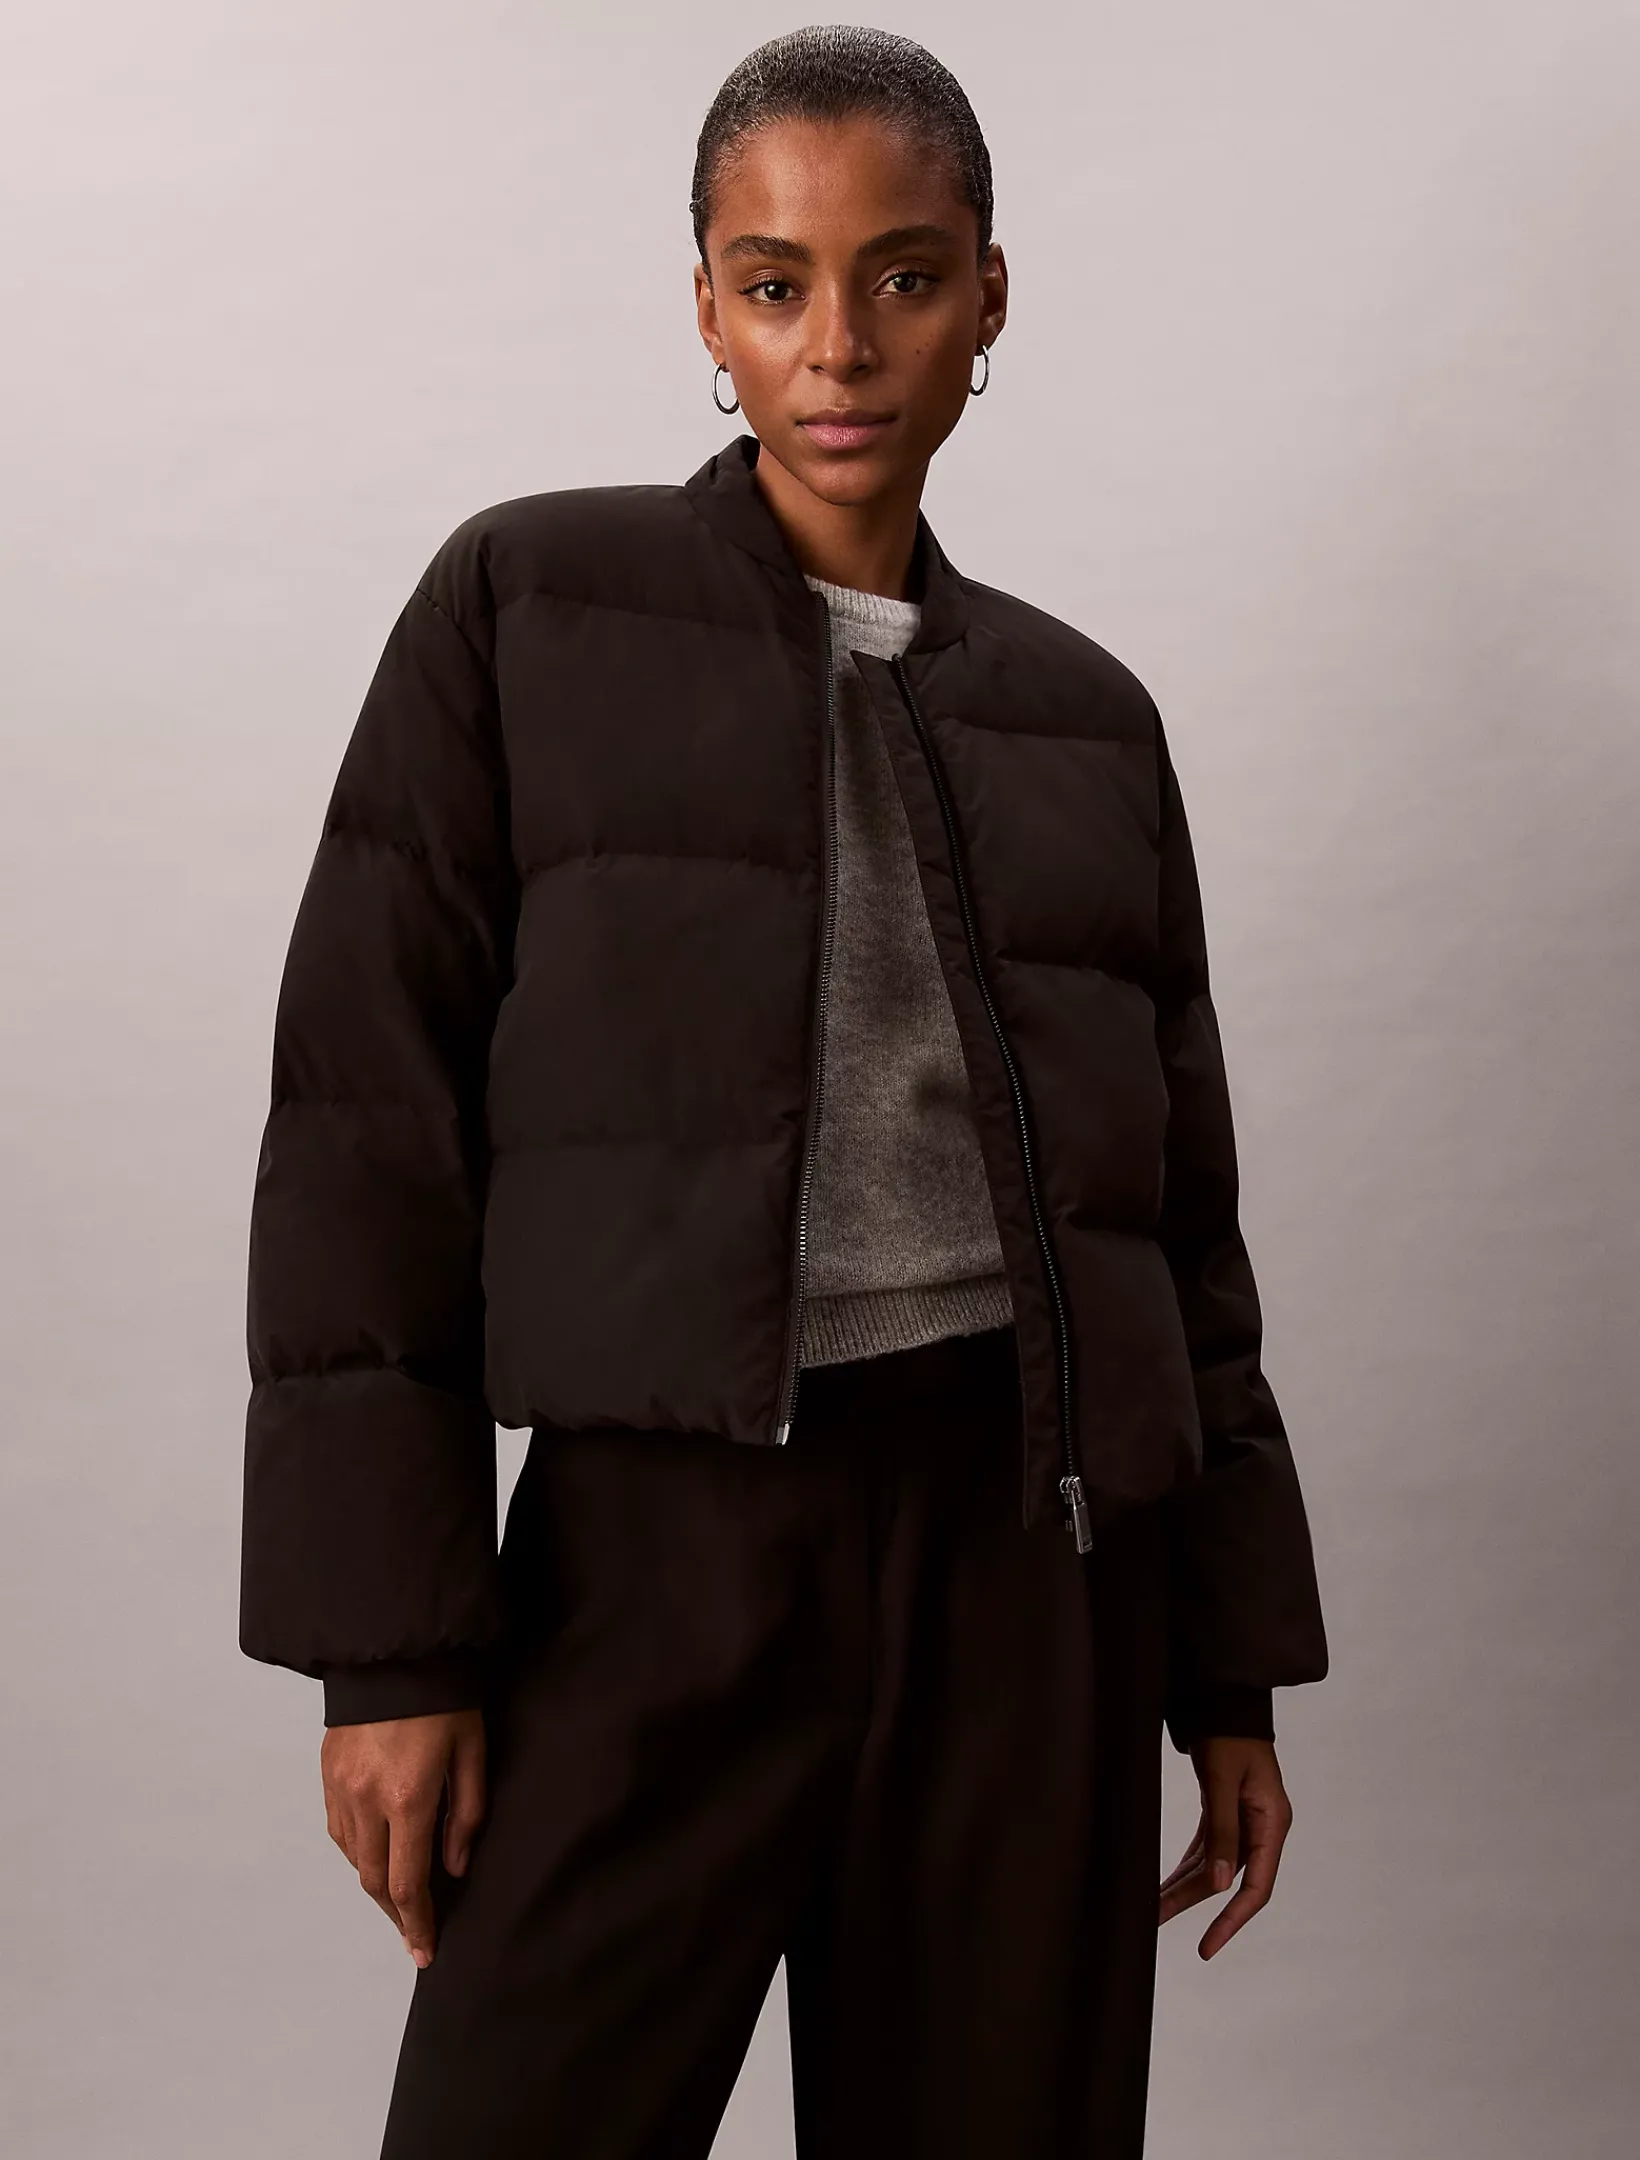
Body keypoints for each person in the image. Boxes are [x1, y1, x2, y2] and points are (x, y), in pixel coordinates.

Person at [239, 24, 1328, 2158]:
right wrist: (393, 1653)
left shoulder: (1087, 721)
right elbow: (367, 1129)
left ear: (988, 297)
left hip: (1031, 1565)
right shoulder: (526, 606)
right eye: (775, 281)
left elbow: (1176, 1235)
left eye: (904, 277)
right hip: (660, 1547)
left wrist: (1226, 1669)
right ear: (707, 308)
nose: (839, 345)